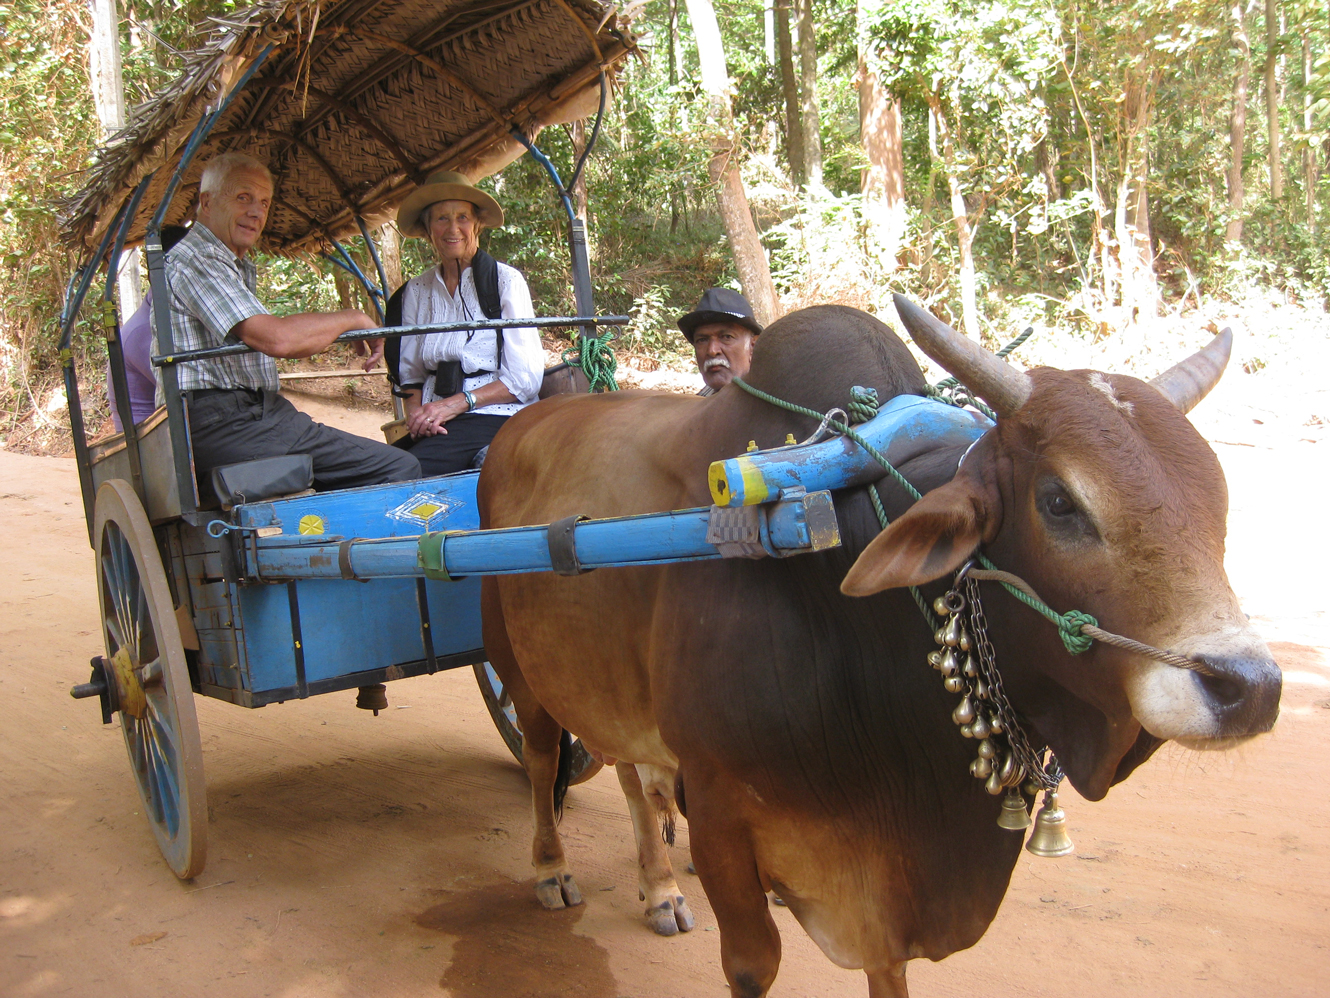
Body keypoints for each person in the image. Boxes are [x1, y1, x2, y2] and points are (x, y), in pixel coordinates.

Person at [162, 151, 420, 489]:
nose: (256, 212)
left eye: (264, 203)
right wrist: (353, 317)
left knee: (365, 464)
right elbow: (278, 339)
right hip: (224, 422)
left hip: (252, 416)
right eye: (244, 198)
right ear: (207, 203)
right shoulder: (198, 258)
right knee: (399, 467)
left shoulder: (227, 264)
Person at [392, 171, 544, 475]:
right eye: (441, 219)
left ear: (477, 225)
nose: (453, 229)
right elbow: (411, 376)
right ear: (427, 229)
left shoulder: (505, 280)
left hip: (498, 415)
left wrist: (456, 404)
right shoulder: (416, 291)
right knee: (380, 465)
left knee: (404, 473)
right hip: (439, 422)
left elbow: (526, 379)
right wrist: (418, 418)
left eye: (462, 217)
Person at [107, 225, 191, 432]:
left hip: (173, 428)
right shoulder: (143, 330)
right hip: (148, 442)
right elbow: (188, 388)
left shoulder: (174, 315)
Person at [677, 287, 763, 396]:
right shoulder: (695, 407)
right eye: (702, 340)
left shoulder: (777, 403)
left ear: (753, 346)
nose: (712, 351)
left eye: (727, 337)